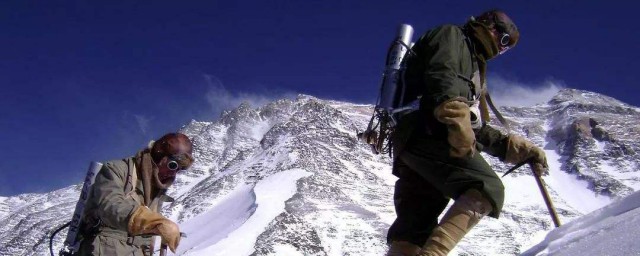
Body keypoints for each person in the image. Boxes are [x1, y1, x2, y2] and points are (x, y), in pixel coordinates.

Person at [386, 10, 548, 256]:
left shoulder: (472, 61)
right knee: (486, 187)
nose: (501, 50)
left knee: (414, 228)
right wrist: (456, 121)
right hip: (428, 132)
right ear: (490, 26)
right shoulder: (453, 37)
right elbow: (443, 76)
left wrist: (513, 148)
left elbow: (472, 125)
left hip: (415, 142)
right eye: (504, 42)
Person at [75, 132, 194, 255]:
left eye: (180, 169)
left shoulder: (156, 192)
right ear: (159, 156)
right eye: (172, 165)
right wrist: (153, 221)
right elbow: (110, 206)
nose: (173, 173)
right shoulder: (116, 170)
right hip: (104, 247)